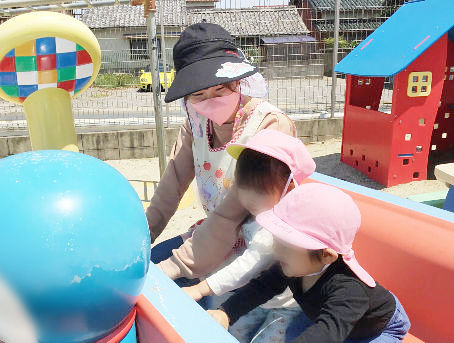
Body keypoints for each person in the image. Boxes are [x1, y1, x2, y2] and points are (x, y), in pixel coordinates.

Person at [147, 22, 296, 292]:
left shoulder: (269, 124)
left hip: (264, 246)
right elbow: (172, 184)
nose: (210, 100)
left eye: (220, 89)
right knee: (148, 261)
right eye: (198, 94)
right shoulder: (195, 124)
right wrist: (143, 236)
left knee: (177, 293)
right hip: (213, 236)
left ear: (239, 81)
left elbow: (234, 211)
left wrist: (177, 264)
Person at [210, 183, 411, 343]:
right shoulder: (295, 266)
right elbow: (261, 287)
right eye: (277, 241)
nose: (277, 250)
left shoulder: (349, 291)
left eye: (287, 246)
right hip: (332, 315)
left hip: (379, 327)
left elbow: (328, 334)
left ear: (327, 256)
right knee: (291, 336)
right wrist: (226, 312)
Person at [182, 129, 315, 342]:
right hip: (258, 299)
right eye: (243, 185)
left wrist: (200, 289)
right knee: (232, 332)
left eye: (260, 190)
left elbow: (248, 264)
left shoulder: (280, 226)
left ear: (289, 187)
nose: (247, 198)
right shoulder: (259, 210)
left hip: (288, 307)